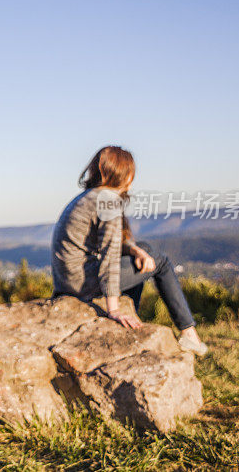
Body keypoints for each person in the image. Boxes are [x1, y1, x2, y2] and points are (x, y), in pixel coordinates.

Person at [50, 145, 208, 356]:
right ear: (124, 174)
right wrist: (113, 310)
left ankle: (131, 309)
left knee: (146, 249)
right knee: (160, 261)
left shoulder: (91, 196)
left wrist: (135, 250)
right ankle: (189, 334)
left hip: (68, 279)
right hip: (81, 282)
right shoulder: (108, 201)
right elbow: (109, 256)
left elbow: (113, 243)